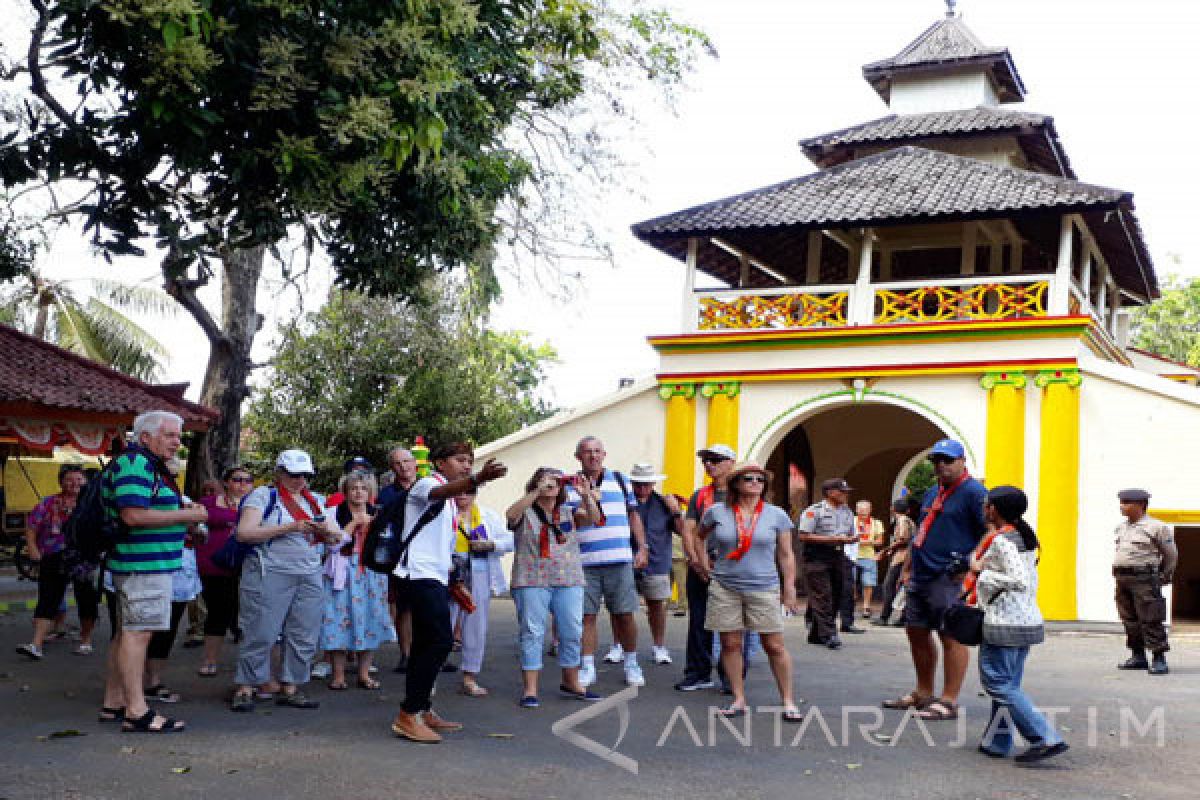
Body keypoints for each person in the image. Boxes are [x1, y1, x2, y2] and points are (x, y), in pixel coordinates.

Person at [389, 442, 507, 743]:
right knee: (441, 641)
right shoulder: (426, 483)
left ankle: (421, 709)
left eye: (470, 461)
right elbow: (439, 494)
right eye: (460, 460)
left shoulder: (452, 500)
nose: (467, 465)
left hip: (437, 575)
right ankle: (409, 713)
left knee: (427, 644)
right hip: (419, 573)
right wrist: (479, 479)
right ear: (440, 463)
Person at [100, 410, 208, 733]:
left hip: (139, 563)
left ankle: (115, 702)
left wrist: (179, 513)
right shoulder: (136, 464)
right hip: (142, 566)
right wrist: (184, 517)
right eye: (170, 435)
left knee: (126, 634)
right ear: (145, 437)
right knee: (138, 634)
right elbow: (133, 515)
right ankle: (137, 710)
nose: (177, 442)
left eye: (178, 436)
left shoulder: (141, 464)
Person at [230, 449, 345, 712]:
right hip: (269, 570)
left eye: (304, 475)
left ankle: (291, 685)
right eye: (293, 475)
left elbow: (337, 535)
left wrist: (327, 532)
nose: (299, 480)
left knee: (304, 632)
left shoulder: (315, 500)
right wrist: (290, 527)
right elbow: (245, 533)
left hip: (308, 572)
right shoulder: (262, 496)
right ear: (279, 473)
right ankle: (247, 686)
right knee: (261, 629)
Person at [883, 439, 986, 721]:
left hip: (949, 575)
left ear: (962, 461)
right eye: (937, 460)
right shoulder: (933, 491)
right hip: (921, 572)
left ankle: (949, 700)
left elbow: (988, 532)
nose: (941, 465)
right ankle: (923, 692)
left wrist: (970, 566)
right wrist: (908, 566)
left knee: (950, 635)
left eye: (948, 460)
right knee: (915, 630)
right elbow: (922, 531)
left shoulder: (974, 493)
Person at [693, 462, 802, 719]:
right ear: (736, 484)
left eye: (760, 479)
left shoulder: (776, 515)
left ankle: (788, 700)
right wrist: (703, 562)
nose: (755, 482)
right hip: (724, 586)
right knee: (731, 643)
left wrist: (790, 589)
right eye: (748, 478)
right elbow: (698, 536)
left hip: (764, 587)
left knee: (773, 645)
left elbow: (786, 555)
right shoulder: (717, 511)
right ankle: (738, 698)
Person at [971, 486, 1068, 763]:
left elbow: (1019, 579)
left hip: (1005, 621)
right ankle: (998, 742)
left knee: (998, 683)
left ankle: (1045, 737)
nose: (984, 508)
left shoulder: (1004, 540)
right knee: (1008, 683)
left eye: (987, 504)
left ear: (994, 509)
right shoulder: (1025, 536)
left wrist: (983, 574)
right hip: (1025, 619)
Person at [507, 467, 603, 708]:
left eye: (556, 481)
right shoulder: (526, 510)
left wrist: (586, 495)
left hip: (568, 578)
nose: (552, 485)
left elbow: (593, 518)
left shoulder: (569, 511)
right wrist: (536, 491)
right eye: (546, 480)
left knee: (572, 630)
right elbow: (510, 516)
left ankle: (571, 681)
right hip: (531, 579)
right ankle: (530, 689)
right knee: (532, 631)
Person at [567, 437, 648, 688]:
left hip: (619, 559)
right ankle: (587, 666)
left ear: (604, 454)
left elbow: (634, 516)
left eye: (597, 452)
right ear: (578, 456)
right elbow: (575, 521)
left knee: (625, 614)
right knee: (586, 616)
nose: (593, 456)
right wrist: (585, 499)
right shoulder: (569, 486)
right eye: (587, 452)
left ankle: (632, 663)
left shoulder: (621, 481)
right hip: (584, 561)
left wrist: (642, 547)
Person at [319, 471, 395, 689]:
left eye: (363, 488)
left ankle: (364, 674)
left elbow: (388, 543)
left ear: (370, 491)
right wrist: (352, 525)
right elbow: (331, 545)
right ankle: (339, 675)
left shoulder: (379, 513)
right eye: (353, 488)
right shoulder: (333, 513)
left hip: (372, 570)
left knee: (370, 618)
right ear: (345, 492)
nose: (358, 492)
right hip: (343, 570)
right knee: (338, 619)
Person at [17, 464, 100, 660]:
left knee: (86, 599)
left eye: (79, 479)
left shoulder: (93, 505)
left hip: (83, 558)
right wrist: (32, 548)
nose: (74, 484)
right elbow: (32, 527)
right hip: (53, 556)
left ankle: (86, 640)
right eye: (69, 479)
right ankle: (36, 644)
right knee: (47, 599)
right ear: (61, 482)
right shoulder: (47, 503)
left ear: (86, 481)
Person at [675, 444, 736, 692]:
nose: (709, 464)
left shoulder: (741, 494)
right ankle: (698, 672)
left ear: (731, 462)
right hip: (702, 563)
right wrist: (695, 559)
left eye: (716, 459)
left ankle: (731, 676)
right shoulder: (700, 495)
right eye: (706, 460)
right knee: (699, 620)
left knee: (731, 624)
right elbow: (689, 529)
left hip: (731, 565)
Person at [144, 457, 203, 703]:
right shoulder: (138, 496)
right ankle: (126, 686)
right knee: (136, 631)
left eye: (173, 475)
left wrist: (194, 525)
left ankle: (153, 682)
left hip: (178, 572)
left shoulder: (185, 502)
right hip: (144, 567)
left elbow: (201, 535)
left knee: (166, 629)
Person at [448, 489, 512, 696]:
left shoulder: (486, 515)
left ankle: (469, 676)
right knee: (440, 626)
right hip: (449, 575)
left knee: (475, 627)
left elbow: (510, 541)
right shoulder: (443, 514)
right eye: (459, 491)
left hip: (478, 574)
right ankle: (427, 679)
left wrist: (491, 545)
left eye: (468, 491)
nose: (463, 495)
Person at [194, 466, 254, 676]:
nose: (242, 484)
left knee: (247, 614)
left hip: (246, 565)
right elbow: (194, 526)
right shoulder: (209, 503)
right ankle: (210, 659)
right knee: (218, 612)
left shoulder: (257, 505)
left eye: (247, 480)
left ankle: (249, 664)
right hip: (214, 564)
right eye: (237, 479)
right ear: (227, 482)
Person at [1112, 488, 1176, 675]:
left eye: (1126, 503)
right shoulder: (1121, 527)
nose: (1121, 506)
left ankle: (1158, 658)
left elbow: (1171, 555)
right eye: (1121, 502)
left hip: (1144, 578)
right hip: (1122, 578)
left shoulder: (1157, 527)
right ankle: (1138, 656)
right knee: (1129, 618)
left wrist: (1164, 575)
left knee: (1151, 618)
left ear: (1141, 505)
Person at [628, 463, 683, 665]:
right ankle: (619, 645)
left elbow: (682, 531)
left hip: (658, 560)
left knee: (657, 606)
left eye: (647, 484)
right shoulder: (625, 502)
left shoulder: (663, 503)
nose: (642, 488)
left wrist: (675, 510)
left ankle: (659, 646)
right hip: (627, 560)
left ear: (653, 483)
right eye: (638, 484)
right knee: (621, 607)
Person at [796, 479, 857, 650]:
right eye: (842, 491)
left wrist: (851, 539)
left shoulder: (847, 512)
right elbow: (804, 535)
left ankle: (816, 633)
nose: (846, 494)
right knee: (823, 595)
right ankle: (829, 634)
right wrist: (833, 539)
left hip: (838, 554)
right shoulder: (814, 511)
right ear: (830, 492)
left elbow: (850, 533)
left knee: (838, 593)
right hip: (816, 556)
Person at [378, 446, 418, 674]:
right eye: (397, 463)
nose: (404, 467)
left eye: (407, 461)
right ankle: (406, 654)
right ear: (392, 468)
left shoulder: (430, 487)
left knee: (428, 607)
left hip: (427, 556)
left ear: (415, 463)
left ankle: (429, 654)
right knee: (404, 607)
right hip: (399, 556)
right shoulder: (386, 495)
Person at [874, 497, 915, 627]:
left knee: (889, 586)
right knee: (903, 586)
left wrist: (886, 550)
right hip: (907, 555)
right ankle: (903, 617)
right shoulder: (909, 520)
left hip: (901, 557)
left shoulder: (902, 521)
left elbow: (902, 539)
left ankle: (885, 616)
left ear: (893, 509)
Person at [855, 500, 885, 619]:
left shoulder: (876, 523)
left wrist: (865, 542)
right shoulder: (851, 521)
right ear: (856, 510)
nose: (863, 514)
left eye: (865, 511)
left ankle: (866, 606)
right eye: (860, 511)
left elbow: (880, 541)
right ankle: (851, 599)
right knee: (850, 580)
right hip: (851, 555)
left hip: (868, 555)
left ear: (870, 510)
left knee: (868, 582)